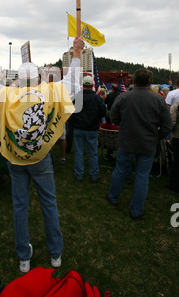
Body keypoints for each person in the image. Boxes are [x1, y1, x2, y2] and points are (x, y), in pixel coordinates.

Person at [0, 35, 85, 273]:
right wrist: (76, 52)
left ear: (18, 80)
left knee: (20, 206)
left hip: (15, 158)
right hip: (41, 158)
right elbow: (74, 82)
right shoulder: (52, 91)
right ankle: (56, 255)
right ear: (38, 78)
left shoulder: (8, 94)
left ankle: (24, 258)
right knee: (49, 204)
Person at [106, 69, 173, 220]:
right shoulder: (158, 99)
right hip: (147, 144)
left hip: (128, 142)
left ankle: (113, 197)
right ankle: (136, 210)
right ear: (149, 82)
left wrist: (123, 125)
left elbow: (112, 116)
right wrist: (157, 136)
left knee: (120, 170)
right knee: (142, 176)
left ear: (133, 81)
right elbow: (167, 125)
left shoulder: (124, 97)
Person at [70, 75, 106, 182]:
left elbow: (71, 112)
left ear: (83, 85)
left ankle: (79, 174)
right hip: (91, 129)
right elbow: (103, 112)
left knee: (79, 152)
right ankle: (94, 175)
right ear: (92, 85)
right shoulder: (97, 98)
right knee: (93, 153)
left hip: (79, 128)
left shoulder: (77, 97)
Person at [168, 101, 179, 193]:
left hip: (177, 136)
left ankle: (174, 184)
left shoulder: (176, 106)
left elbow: (172, 122)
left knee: (177, 162)